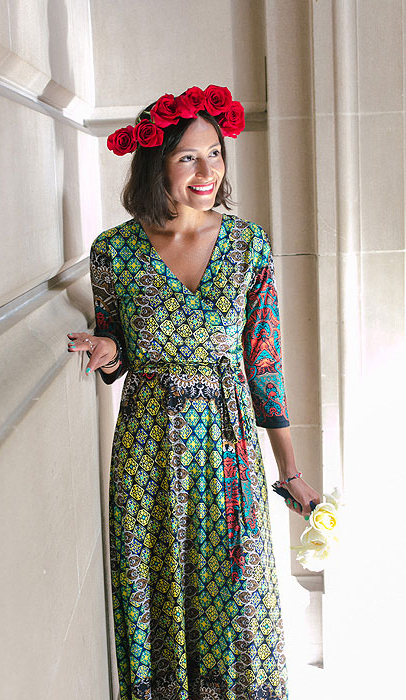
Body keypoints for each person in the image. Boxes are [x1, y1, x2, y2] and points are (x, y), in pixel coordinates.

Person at [67, 85, 320, 700]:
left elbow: (265, 365)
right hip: (149, 457)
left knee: (236, 606)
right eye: (188, 157)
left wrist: (290, 470)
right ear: (157, 164)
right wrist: (110, 351)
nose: (207, 172)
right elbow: (118, 340)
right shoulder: (113, 252)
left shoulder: (248, 246)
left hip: (228, 456)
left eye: (215, 153)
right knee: (156, 599)